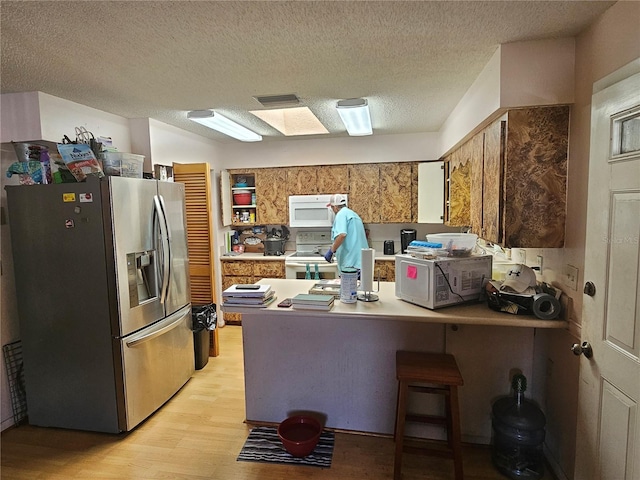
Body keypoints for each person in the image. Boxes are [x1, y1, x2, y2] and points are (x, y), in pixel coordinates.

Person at [324, 194, 369, 274]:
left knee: (349, 286)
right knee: (360, 286)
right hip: (362, 263)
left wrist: (331, 251)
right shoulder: (354, 215)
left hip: (350, 264)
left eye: (331, 208)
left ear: (335, 207)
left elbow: (342, 235)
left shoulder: (341, 214)